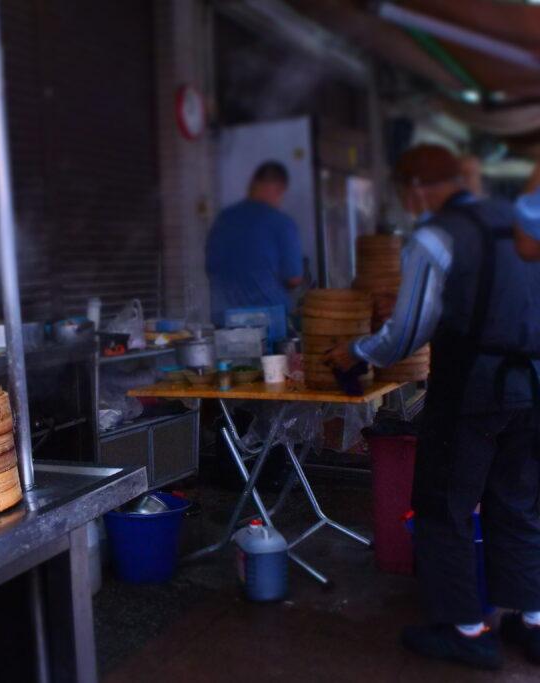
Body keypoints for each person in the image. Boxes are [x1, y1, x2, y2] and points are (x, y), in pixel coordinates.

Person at [325, 144, 540, 670]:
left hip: (472, 389)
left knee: (444, 505)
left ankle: (466, 632)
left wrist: (354, 352)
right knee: (519, 502)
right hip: (533, 385)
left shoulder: (435, 237)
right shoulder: (518, 221)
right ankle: (534, 623)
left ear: (417, 187)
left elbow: (407, 332)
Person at [205, 160, 303, 326]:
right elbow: (293, 278)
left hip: (225, 322)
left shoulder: (224, 219)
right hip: (269, 321)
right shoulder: (281, 222)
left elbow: (211, 267)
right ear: (279, 188)